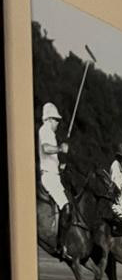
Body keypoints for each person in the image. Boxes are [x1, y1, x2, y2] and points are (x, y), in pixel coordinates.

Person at [37, 102, 70, 259]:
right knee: (66, 207)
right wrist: (60, 149)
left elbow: (50, 158)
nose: (58, 122)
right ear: (49, 119)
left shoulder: (51, 134)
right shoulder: (44, 130)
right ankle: (60, 246)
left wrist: (60, 165)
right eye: (56, 120)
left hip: (54, 175)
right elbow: (46, 149)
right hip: (49, 177)